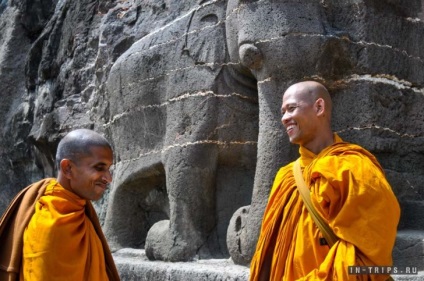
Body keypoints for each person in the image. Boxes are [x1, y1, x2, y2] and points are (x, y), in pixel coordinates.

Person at [249, 81, 400, 280]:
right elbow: (268, 251)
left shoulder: (354, 169)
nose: (285, 118)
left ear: (319, 107)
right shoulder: (285, 177)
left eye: (291, 108)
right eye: (282, 112)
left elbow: (367, 257)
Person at [0, 129, 120, 280]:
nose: (108, 178)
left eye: (108, 169)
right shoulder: (50, 223)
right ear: (68, 168)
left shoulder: (78, 209)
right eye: (99, 167)